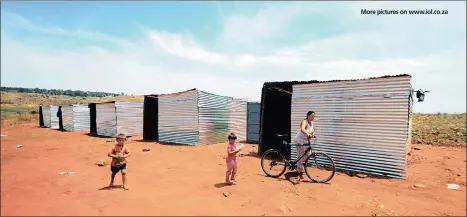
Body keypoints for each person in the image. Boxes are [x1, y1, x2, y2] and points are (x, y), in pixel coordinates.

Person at [292, 111, 316, 180]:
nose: (313, 118)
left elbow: (314, 130)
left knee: (308, 154)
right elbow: (302, 129)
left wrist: (313, 134)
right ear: (308, 115)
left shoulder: (312, 123)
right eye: (312, 116)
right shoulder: (304, 121)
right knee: (301, 155)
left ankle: (300, 165)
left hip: (306, 140)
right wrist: (308, 134)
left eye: (314, 116)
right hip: (299, 140)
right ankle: (299, 169)